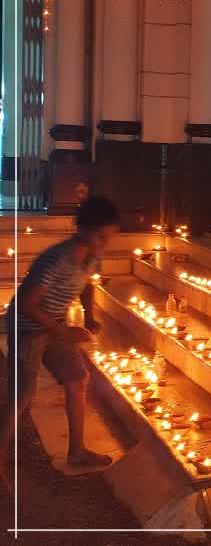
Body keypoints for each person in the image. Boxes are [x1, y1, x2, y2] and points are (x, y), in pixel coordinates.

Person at [0, 195, 120, 480]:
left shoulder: (91, 256)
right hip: (28, 327)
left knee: (78, 381)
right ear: (84, 229)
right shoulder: (58, 258)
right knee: (22, 395)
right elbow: (28, 303)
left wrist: (89, 316)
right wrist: (65, 331)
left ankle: (76, 451)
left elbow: (86, 286)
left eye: (109, 237)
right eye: (100, 235)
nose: (104, 243)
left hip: (54, 326)